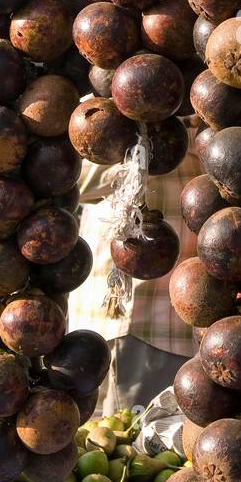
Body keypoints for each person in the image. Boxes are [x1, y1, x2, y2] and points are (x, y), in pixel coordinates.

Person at [67, 123, 198, 412]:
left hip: (171, 321)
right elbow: (69, 180)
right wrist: (138, 161)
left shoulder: (193, 112)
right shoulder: (104, 107)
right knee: (127, 444)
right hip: (131, 317)